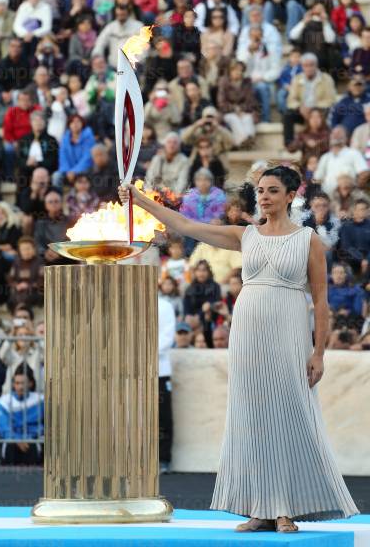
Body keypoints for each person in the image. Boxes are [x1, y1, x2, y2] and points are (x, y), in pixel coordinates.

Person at [118, 165, 359, 531]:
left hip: (290, 328)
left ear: (291, 195)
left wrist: (319, 351)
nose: (264, 196)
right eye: (260, 190)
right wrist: (139, 199)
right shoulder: (245, 235)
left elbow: (322, 301)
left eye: (273, 190)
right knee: (251, 416)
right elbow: (187, 226)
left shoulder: (308, 239)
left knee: (289, 414)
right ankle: (259, 508)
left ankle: (286, 507)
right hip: (247, 333)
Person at [283, 53, 336, 146]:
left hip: (320, 111)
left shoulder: (326, 79)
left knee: (329, 111)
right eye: (306, 65)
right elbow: (290, 100)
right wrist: (300, 107)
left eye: (311, 65)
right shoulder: (297, 79)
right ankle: (289, 144)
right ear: (302, 66)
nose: (309, 68)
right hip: (302, 111)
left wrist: (313, 109)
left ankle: (324, 141)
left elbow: (330, 100)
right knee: (288, 114)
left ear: (316, 65)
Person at [0, 365, 44, 465]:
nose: (20, 387)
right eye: (17, 383)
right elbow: (3, 427)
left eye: (23, 383)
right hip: (11, 441)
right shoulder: (3, 402)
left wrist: (28, 438)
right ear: (13, 384)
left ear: (31, 384)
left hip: (33, 440)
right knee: (11, 447)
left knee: (32, 448)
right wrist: (17, 439)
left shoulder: (41, 400)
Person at [0, 38, 32, 126]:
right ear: (9, 48)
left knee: (16, 95)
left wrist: (12, 91)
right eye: (13, 46)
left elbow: (26, 81)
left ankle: (16, 122)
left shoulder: (25, 62)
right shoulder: (3, 63)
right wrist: (3, 92)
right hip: (4, 92)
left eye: (18, 47)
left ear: (21, 49)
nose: (15, 48)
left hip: (19, 90)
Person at [313, 126, 369, 196]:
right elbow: (317, 179)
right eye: (333, 133)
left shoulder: (353, 153)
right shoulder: (325, 157)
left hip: (349, 196)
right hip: (328, 198)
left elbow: (365, 173)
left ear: (346, 138)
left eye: (339, 133)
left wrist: (355, 188)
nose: (336, 135)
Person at [217, 59, 259, 148]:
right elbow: (221, 103)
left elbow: (251, 101)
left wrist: (242, 110)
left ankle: (247, 140)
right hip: (228, 112)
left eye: (240, 70)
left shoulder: (247, 82)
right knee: (234, 119)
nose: (238, 72)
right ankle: (244, 141)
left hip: (245, 111)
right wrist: (236, 109)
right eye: (235, 70)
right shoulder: (223, 81)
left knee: (247, 118)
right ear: (230, 71)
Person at [91, 4, 143, 69]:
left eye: (123, 14)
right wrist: (97, 56)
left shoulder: (138, 26)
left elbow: (144, 47)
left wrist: (137, 62)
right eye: (118, 14)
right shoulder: (110, 27)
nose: (120, 15)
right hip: (112, 67)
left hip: (132, 68)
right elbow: (100, 42)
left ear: (128, 13)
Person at [158, 295, 176, 473]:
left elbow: (166, 338)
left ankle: (163, 459)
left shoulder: (164, 306)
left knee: (162, 417)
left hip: (159, 371)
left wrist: (140, 355)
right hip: (130, 371)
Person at [54, 114, 95, 187]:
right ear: (69, 125)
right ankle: (58, 196)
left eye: (78, 121)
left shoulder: (89, 137)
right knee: (56, 176)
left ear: (82, 124)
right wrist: (68, 171)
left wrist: (75, 171)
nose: (75, 124)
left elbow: (87, 158)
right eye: (72, 122)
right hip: (68, 171)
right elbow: (63, 158)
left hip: (84, 169)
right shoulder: (65, 139)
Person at [17, 110, 59, 182]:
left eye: (41, 120)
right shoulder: (24, 139)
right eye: (35, 120)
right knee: (22, 174)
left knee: (40, 174)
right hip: (27, 168)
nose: (38, 123)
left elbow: (53, 160)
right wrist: (26, 163)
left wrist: (38, 163)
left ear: (45, 123)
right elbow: (19, 158)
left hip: (45, 168)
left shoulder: (51, 140)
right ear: (31, 123)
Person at [34, 189, 70, 265]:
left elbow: (72, 241)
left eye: (56, 201)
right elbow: (38, 241)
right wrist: (45, 252)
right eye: (50, 202)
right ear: (45, 205)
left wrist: (60, 253)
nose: (53, 204)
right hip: (46, 258)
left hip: (66, 257)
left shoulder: (69, 221)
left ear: (61, 203)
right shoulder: (40, 223)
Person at [8, 236, 44, 310]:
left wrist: (28, 285)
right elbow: (10, 278)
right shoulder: (16, 262)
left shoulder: (40, 262)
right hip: (19, 291)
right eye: (23, 249)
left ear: (34, 249)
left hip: (34, 291)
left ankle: (23, 313)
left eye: (28, 248)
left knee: (26, 296)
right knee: (11, 299)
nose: (26, 251)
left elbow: (42, 280)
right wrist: (17, 285)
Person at [337, 198, 370, 277]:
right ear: (354, 211)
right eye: (361, 209)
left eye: (365, 209)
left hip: (367, 257)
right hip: (351, 257)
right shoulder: (346, 226)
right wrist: (361, 259)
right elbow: (346, 246)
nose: (363, 211)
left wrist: (367, 260)